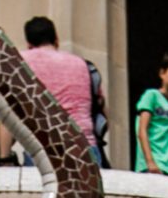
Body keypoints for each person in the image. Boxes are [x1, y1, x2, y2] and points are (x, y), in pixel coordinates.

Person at [17, 16, 108, 166]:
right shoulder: (82, 64)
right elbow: (102, 111)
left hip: (42, 148)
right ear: (56, 39)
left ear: (28, 43)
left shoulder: (21, 61)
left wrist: (4, 156)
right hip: (84, 146)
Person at [134, 52, 168, 176]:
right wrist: (150, 162)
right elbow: (142, 129)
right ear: (162, 73)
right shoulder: (151, 96)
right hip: (150, 166)